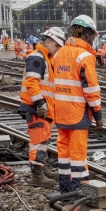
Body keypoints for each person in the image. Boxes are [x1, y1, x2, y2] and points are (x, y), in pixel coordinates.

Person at [53, 15, 102, 194]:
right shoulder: (84, 56)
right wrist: (97, 113)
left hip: (61, 112)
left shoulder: (59, 53)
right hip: (78, 113)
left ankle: (65, 189)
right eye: (93, 35)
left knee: (64, 154)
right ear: (87, 33)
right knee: (78, 155)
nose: (93, 39)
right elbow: (90, 88)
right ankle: (80, 191)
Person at [18, 27, 66, 187]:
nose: (58, 48)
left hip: (42, 108)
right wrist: (40, 103)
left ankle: (41, 168)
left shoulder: (45, 58)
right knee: (38, 141)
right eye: (57, 45)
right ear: (49, 41)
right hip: (36, 107)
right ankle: (37, 175)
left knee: (44, 140)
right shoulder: (37, 58)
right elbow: (31, 82)